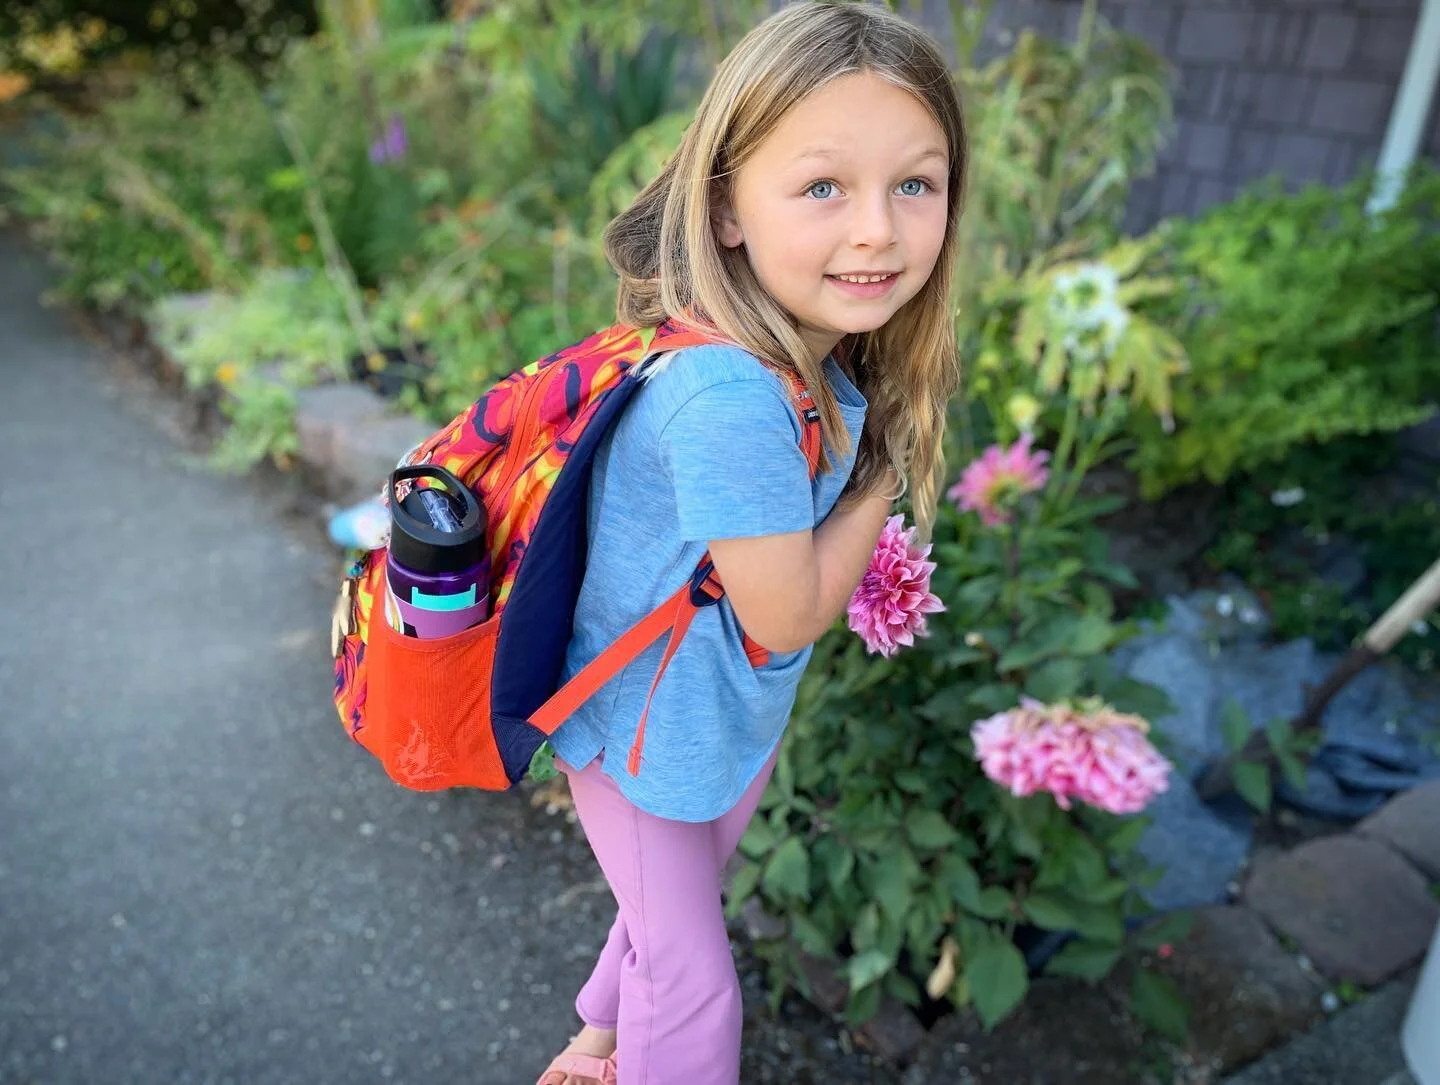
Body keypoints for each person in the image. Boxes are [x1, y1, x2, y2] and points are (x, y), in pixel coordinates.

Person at [536, 2, 967, 1082]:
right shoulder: (729, 396)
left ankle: (596, 1044)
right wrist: (884, 469)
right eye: (824, 187)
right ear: (727, 207)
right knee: (694, 984)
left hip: (716, 715)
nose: (877, 229)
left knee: (664, 905)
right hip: (645, 733)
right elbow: (785, 610)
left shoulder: (812, 356)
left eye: (915, 184)